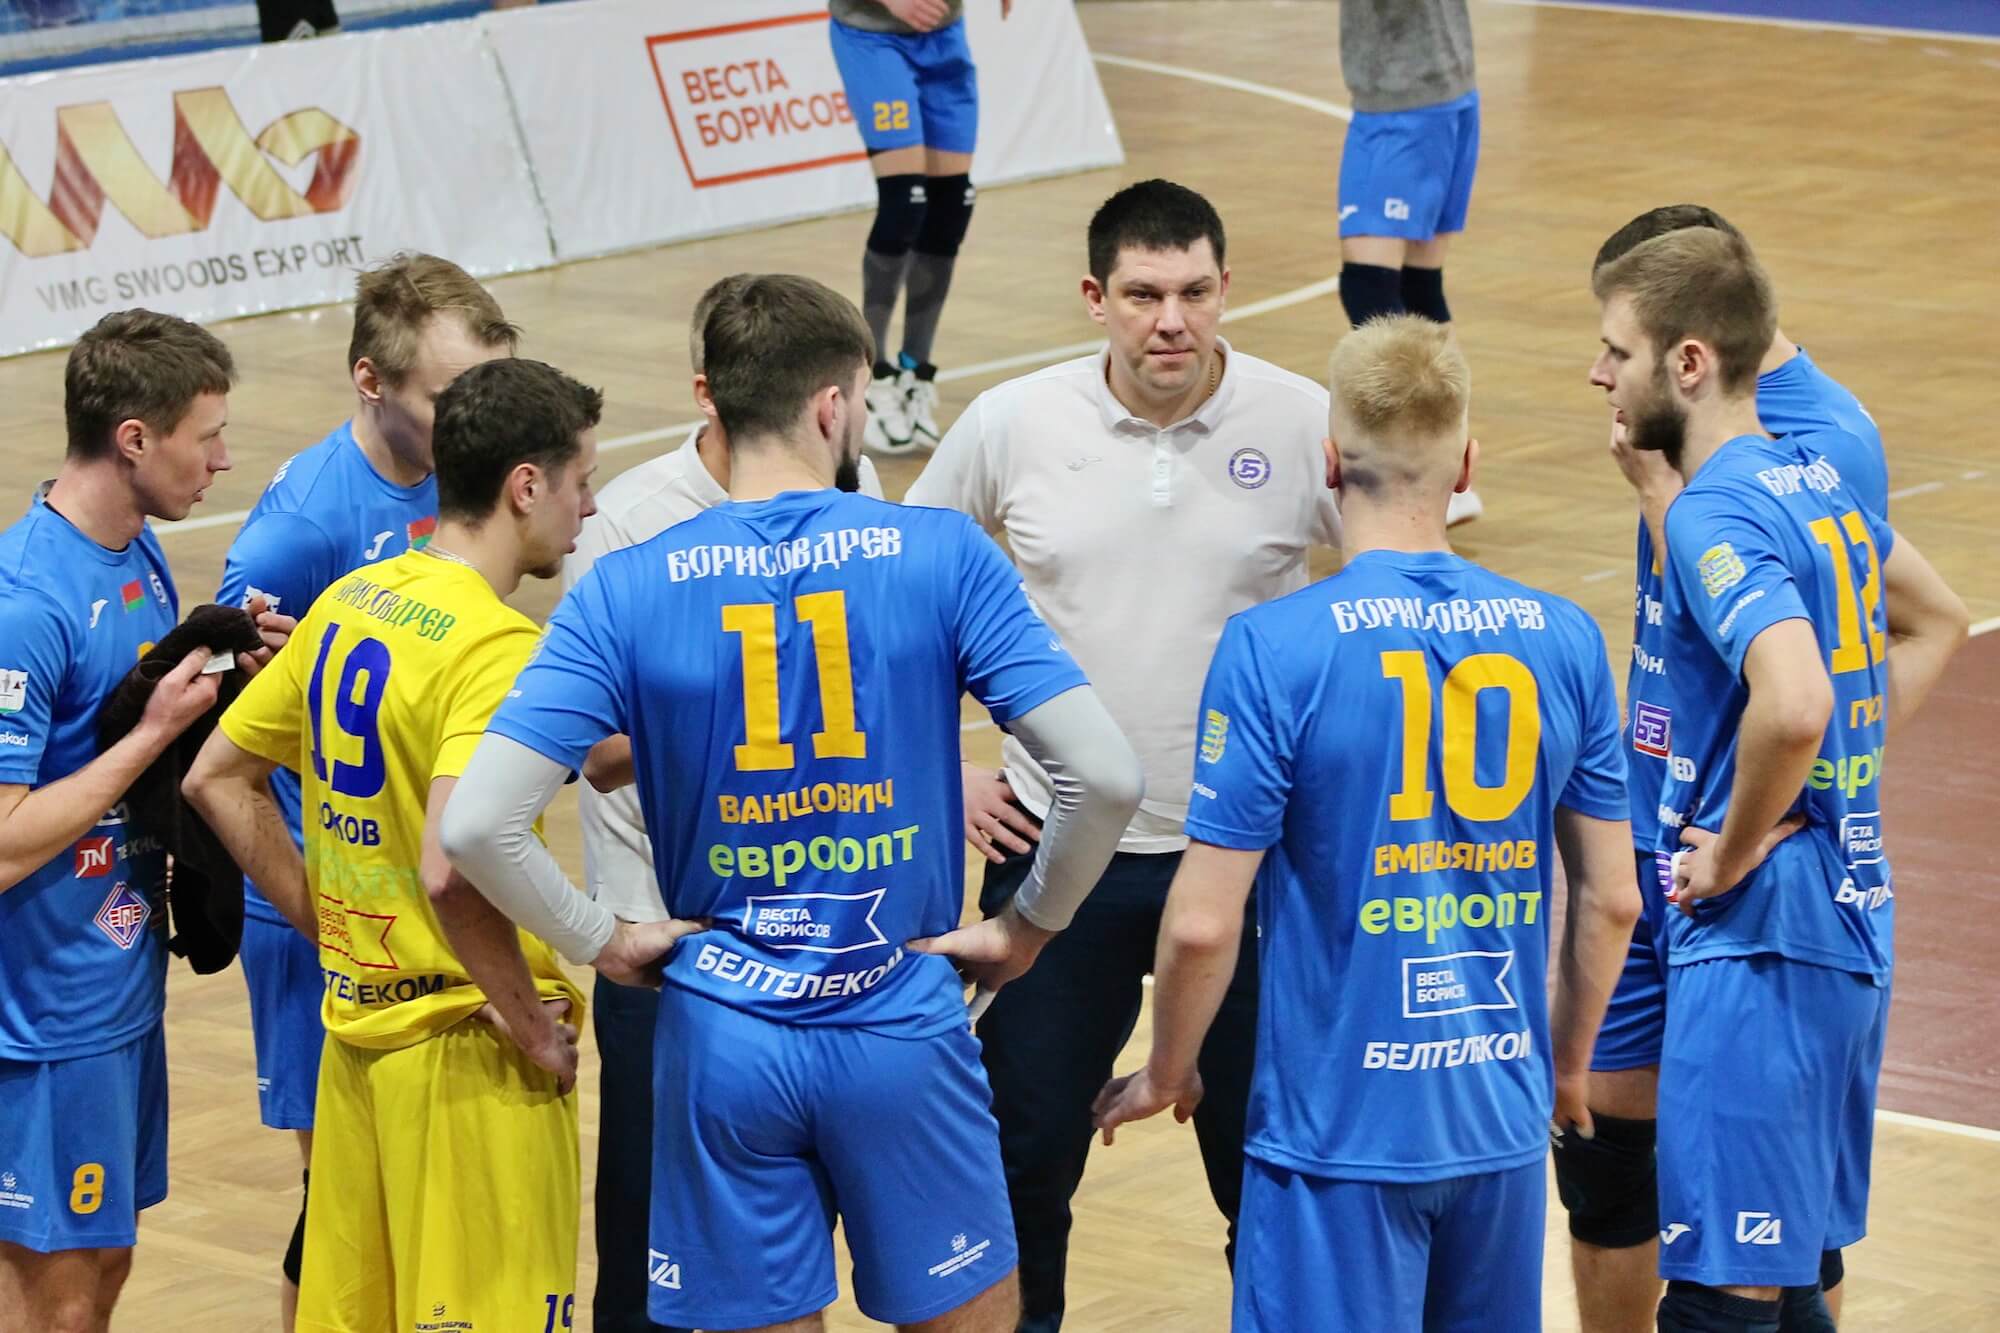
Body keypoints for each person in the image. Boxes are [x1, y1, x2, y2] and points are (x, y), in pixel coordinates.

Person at [439, 274, 1143, 1333]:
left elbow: (476, 825)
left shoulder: (625, 584)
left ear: (715, 403)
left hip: (722, 1035)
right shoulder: (939, 554)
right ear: (832, 404)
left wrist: (601, 938)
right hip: (898, 1013)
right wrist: (1025, 927)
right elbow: (1108, 776)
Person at [1094, 314, 1642, 1331]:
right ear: (1466, 465)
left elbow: (1203, 921)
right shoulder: (1563, 638)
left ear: (1328, 462)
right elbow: (1613, 900)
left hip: (1336, 1133)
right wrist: (1563, 1067)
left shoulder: (1274, 646)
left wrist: (1170, 1068)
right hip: (1496, 1125)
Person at [905, 177, 1339, 1332]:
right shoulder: (1011, 423)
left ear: (1226, 288)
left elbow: (1389, 591)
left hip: (1248, 866)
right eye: (1143, 295)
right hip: (1057, 860)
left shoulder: (1303, 421)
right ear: (1094, 298)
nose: (1171, 321)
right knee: (1019, 1154)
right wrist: (938, 767)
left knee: (1273, 1165)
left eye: (1194, 292)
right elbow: (897, 596)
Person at [185, 357, 633, 1333]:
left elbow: (215, 775)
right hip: (467, 1055)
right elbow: (453, 864)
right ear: (525, 485)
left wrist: (329, 923)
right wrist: (531, 1023)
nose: (591, 507)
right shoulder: (494, 647)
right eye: (581, 480)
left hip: (354, 1044)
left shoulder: (354, 600)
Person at [1589, 227, 1967, 1333]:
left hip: (1762, 930)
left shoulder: (1716, 507)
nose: (1600, 372)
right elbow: (1927, 622)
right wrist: (1831, 779)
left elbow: (1795, 702)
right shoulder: (1814, 478)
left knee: (1724, 1289)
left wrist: (1737, 839)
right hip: (1841, 913)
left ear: (1688, 363)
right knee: (1784, 1274)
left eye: (1618, 350)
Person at [563, 273, 883, 1333]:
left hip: (823, 931)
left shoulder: (857, 490)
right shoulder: (628, 526)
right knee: (647, 1252)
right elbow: (593, 753)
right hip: (669, 941)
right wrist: (746, 720)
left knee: (789, 1246)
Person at [213, 251, 515, 1330]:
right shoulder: (298, 530)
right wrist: (323, 914)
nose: (473, 421)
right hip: (325, 907)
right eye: (449, 396)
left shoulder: (461, 477)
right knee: (339, 1198)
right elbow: (226, 731)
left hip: (424, 901)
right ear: (370, 381)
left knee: (418, 1192)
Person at [0, 310, 286, 1330]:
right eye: (206, 435)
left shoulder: (138, 552)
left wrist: (226, 663)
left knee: (101, 1266)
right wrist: (154, 731)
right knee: (59, 1293)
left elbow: (130, 712)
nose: (223, 458)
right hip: (42, 1019)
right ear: (133, 438)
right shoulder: (25, 605)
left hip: (116, 983)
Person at [828, 0, 1009, 452]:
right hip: (873, 38)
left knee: (951, 206)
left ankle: (916, 371)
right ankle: (868, 374)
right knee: (904, 204)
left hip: (944, 36)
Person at [1335, 0, 1482, 525]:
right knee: (1420, 289)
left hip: (1402, 96)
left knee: (1370, 289)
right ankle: (1448, 470)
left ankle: (1418, 474)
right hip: (1448, 87)